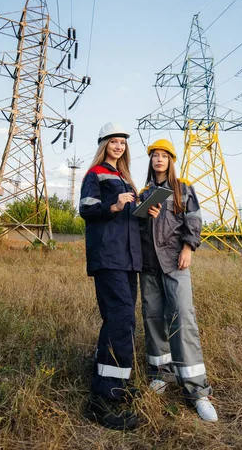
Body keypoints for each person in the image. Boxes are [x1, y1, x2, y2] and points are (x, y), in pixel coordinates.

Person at [139, 139, 218, 422]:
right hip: (149, 265)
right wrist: (145, 215)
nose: (159, 160)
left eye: (164, 156)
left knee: (182, 318)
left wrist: (188, 247)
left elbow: (193, 220)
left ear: (171, 160)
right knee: (153, 317)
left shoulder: (182, 188)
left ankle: (197, 392)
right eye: (154, 156)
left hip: (174, 262)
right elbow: (137, 228)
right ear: (150, 161)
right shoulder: (145, 192)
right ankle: (161, 375)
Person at [79, 122, 142, 431]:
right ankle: (104, 400)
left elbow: (131, 218)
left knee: (121, 320)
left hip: (129, 259)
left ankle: (111, 385)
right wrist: (114, 205)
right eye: (114, 141)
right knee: (121, 320)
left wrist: (145, 208)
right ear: (104, 144)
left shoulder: (125, 177)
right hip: (109, 256)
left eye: (123, 142)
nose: (119, 146)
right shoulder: (95, 174)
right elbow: (86, 208)